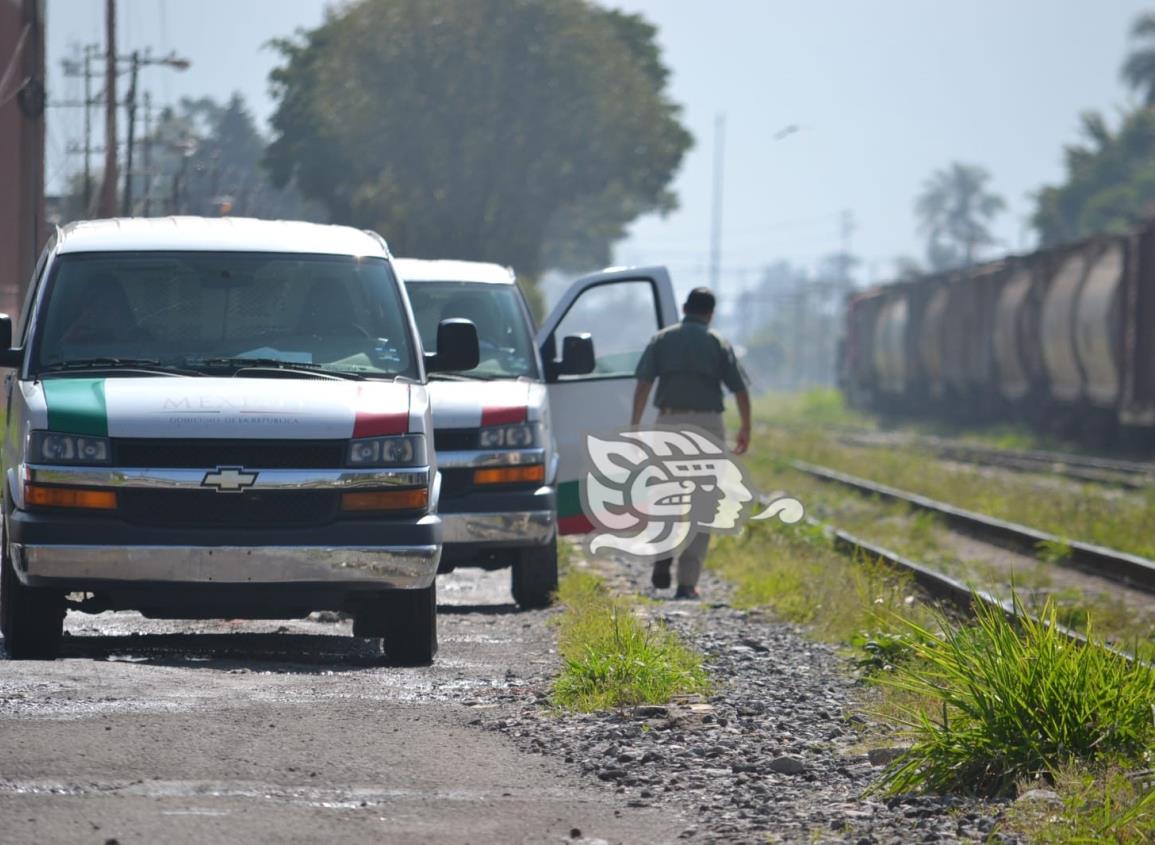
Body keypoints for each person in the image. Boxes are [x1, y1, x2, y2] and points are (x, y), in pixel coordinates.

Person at [630, 287, 751, 599]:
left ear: (685, 308)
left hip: (669, 422)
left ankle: (662, 555)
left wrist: (635, 424)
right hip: (708, 424)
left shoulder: (662, 339)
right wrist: (745, 428)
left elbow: (643, 383)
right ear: (711, 313)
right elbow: (739, 389)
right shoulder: (717, 342)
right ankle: (687, 582)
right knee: (703, 503)